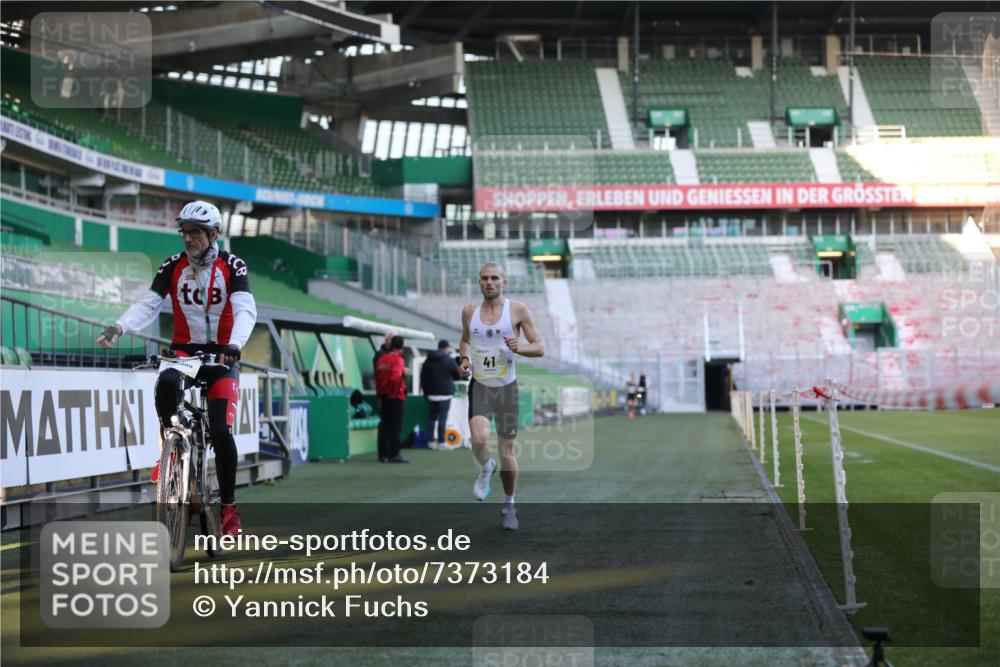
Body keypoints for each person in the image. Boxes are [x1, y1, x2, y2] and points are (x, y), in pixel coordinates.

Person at [96, 200, 256, 537]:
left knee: (222, 431)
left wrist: (235, 346)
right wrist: (120, 327)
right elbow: (149, 304)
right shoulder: (172, 266)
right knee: (166, 382)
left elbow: (245, 309)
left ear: (214, 234)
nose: (188, 238)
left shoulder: (233, 265)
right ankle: (170, 449)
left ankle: (228, 507)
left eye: (195, 232)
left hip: (222, 357)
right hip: (185, 352)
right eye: (184, 231)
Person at [459, 262, 544, 531]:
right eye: (484, 278)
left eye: (494, 278)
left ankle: (509, 504)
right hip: (481, 385)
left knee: (508, 452)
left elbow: (540, 348)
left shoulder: (517, 310)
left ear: (504, 282)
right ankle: (486, 467)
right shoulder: (469, 312)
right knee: (479, 439)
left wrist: (521, 347)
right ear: (479, 282)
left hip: (507, 388)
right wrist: (463, 359)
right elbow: (465, 339)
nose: (489, 282)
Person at [420, 339, 462, 450]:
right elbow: (458, 375)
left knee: (431, 418)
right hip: (445, 394)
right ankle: (441, 442)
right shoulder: (449, 360)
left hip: (431, 394)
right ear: (446, 348)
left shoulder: (427, 360)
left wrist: (425, 393)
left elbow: (423, 378)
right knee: (442, 419)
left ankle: (430, 442)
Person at [375, 335, 409, 463]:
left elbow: (377, 378)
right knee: (395, 427)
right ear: (402, 347)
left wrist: (380, 394)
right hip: (395, 397)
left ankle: (383, 454)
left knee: (384, 426)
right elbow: (395, 378)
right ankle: (394, 454)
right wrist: (393, 393)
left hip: (383, 397)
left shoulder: (382, 358)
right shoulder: (398, 360)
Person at [373, 329, 398, 460]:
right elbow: (379, 376)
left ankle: (389, 452)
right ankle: (384, 453)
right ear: (386, 340)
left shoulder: (393, 355)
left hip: (390, 394)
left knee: (390, 424)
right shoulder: (380, 355)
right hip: (387, 394)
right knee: (385, 424)